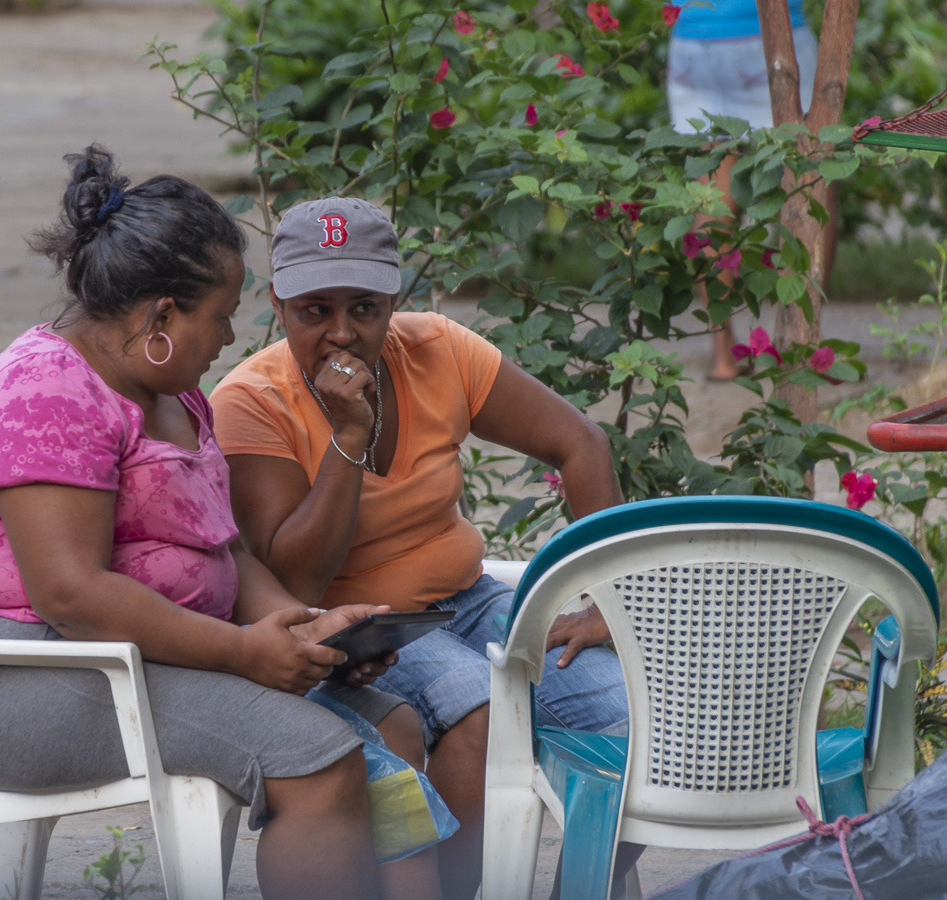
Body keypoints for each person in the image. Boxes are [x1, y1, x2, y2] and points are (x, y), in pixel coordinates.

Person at [0, 147, 443, 900]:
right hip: (26, 677)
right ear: (162, 314)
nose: (230, 340)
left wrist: (305, 628)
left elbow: (223, 546)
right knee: (318, 758)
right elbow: (69, 594)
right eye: (222, 317)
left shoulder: (171, 390)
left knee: (389, 726)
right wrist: (240, 652)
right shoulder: (43, 393)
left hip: (144, 660)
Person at [210, 197, 633, 900]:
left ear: (393, 299)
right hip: (360, 625)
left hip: (469, 601)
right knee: (481, 709)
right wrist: (349, 436)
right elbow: (294, 578)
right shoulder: (251, 401)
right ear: (278, 306)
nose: (343, 333)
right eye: (315, 310)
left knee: (648, 714)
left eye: (366, 308)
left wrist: (607, 603)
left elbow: (581, 444)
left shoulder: (438, 348)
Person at [666, 0, 820, 381]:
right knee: (810, 180)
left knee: (711, 198)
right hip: (767, 37)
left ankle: (723, 357)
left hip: (691, 40)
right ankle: (806, 348)